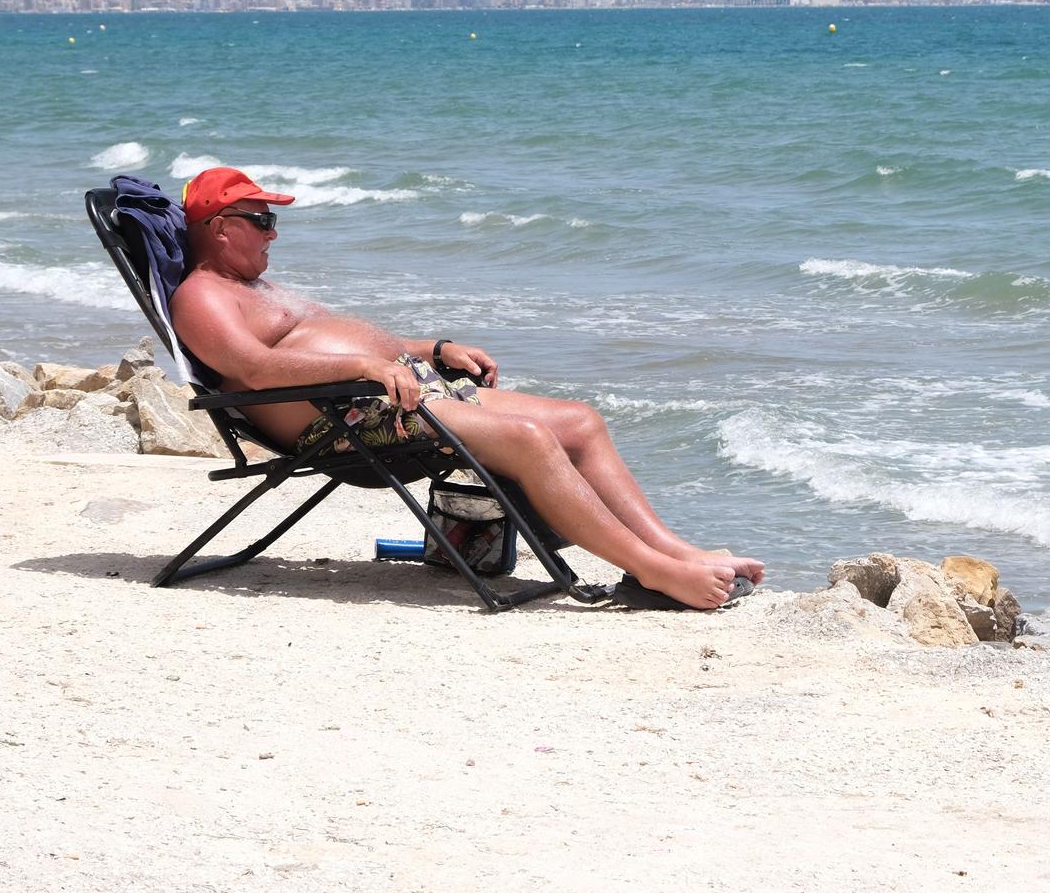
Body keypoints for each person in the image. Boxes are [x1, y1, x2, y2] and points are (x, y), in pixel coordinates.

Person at [168, 166, 762, 610]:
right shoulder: (202, 296)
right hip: (344, 420)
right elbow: (253, 370)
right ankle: (650, 572)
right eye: (263, 221)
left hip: (395, 393)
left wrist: (434, 350)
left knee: (580, 420)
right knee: (528, 441)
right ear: (221, 229)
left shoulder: (255, 288)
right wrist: (369, 368)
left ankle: (677, 551)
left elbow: (351, 342)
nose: (274, 234)